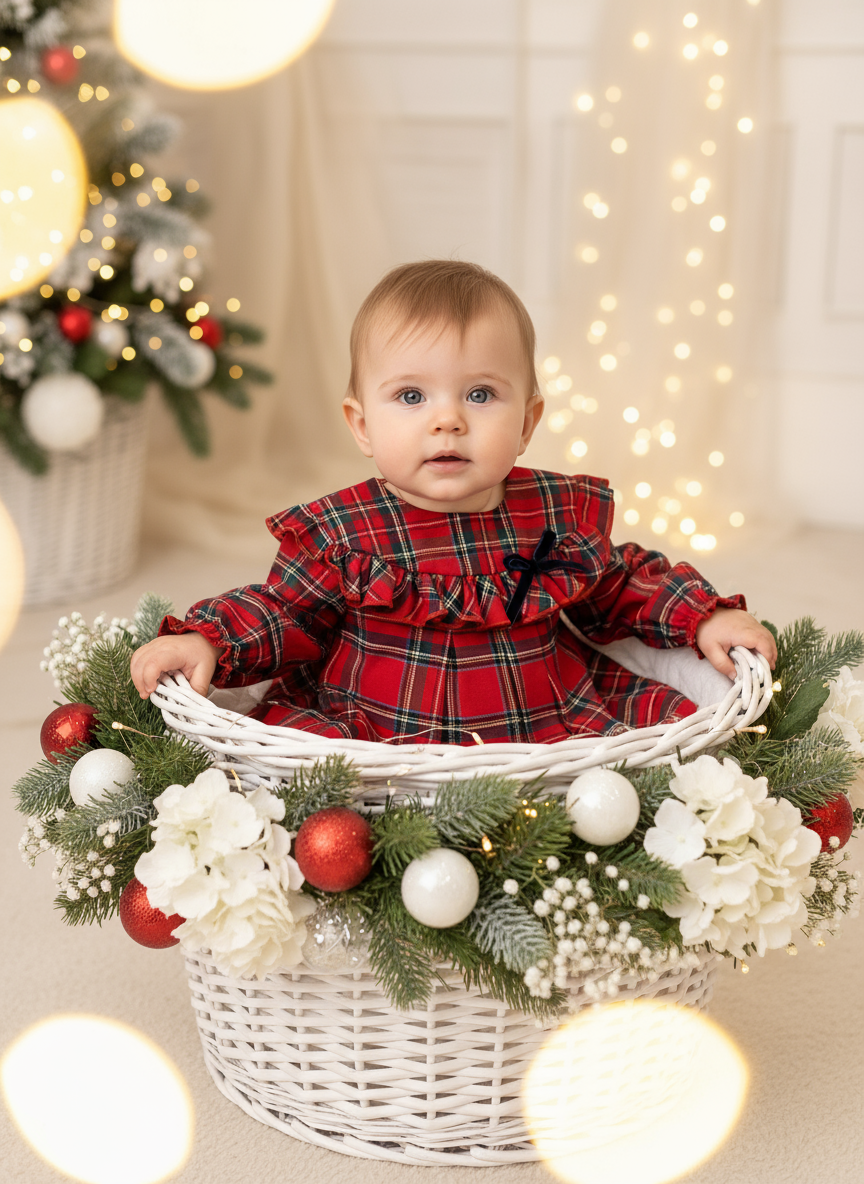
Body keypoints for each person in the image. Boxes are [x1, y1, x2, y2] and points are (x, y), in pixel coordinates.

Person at [131, 260, 776, 744]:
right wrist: (209, 640)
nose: (447, 421)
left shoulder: (551, 517)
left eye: (480, 395)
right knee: (305, 795)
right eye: (411, 397)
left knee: (678, 760)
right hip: (374, 731)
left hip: (543, 724)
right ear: (361, 424)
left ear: (528, 421)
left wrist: (704, 617)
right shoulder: (345, 534)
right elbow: (281, 611)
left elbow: (624, 584)